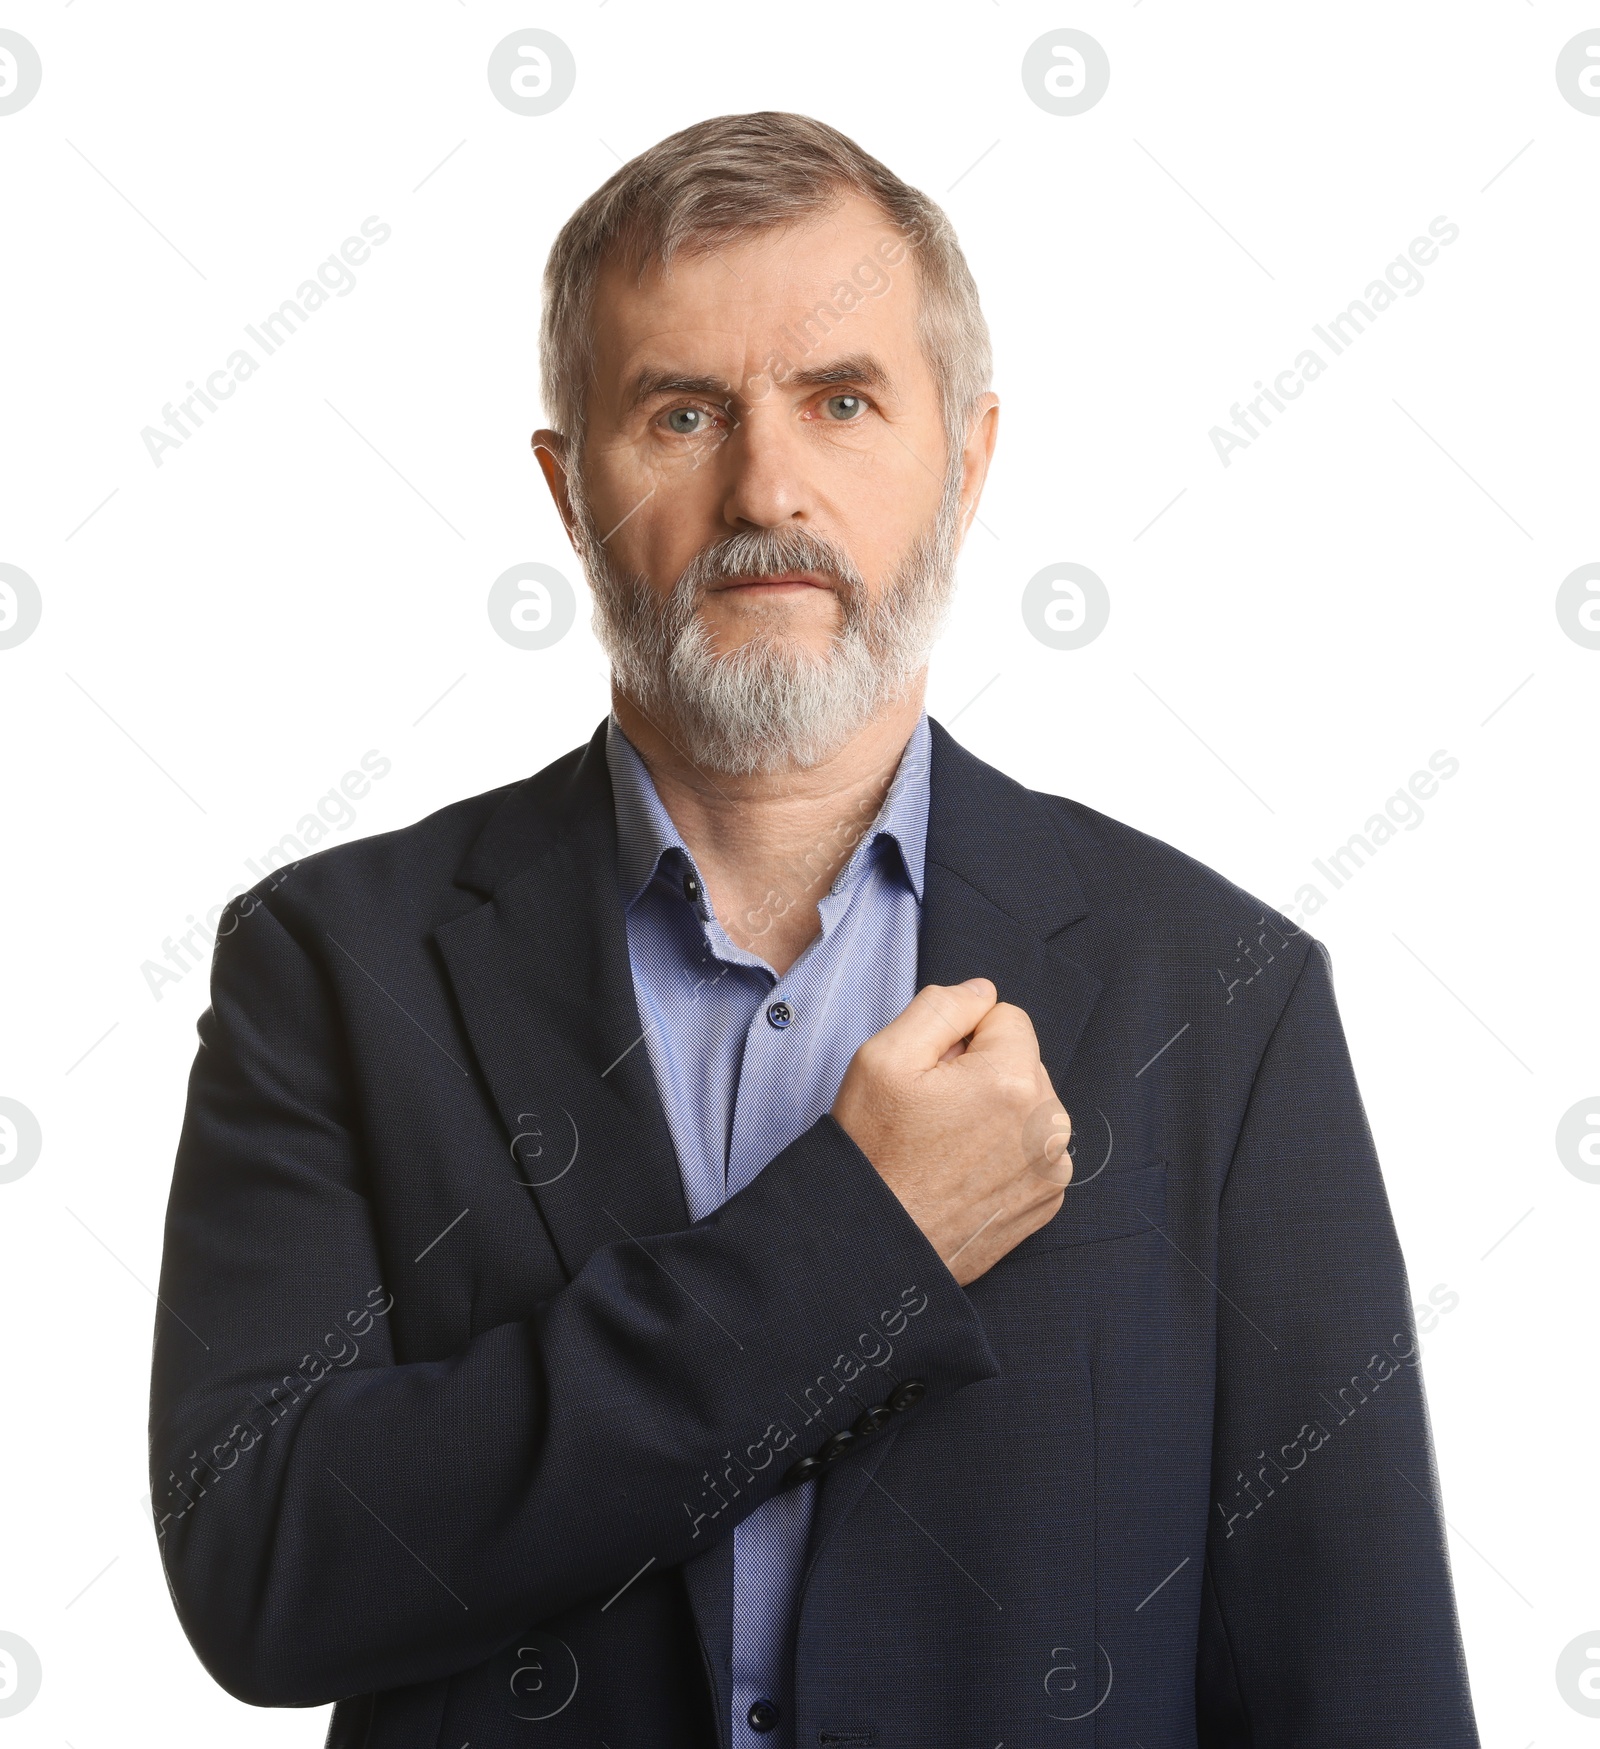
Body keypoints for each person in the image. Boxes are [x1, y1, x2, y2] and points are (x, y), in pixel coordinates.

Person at [150, 112, 1481, 1748]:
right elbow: (263, 1569)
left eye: (842, 400)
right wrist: (858, 1238)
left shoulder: (1224, 994)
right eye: (681, 411)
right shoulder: (329, 966)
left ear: (967, 464)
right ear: (571, 491)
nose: (764, 485)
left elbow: (1362, 1687)